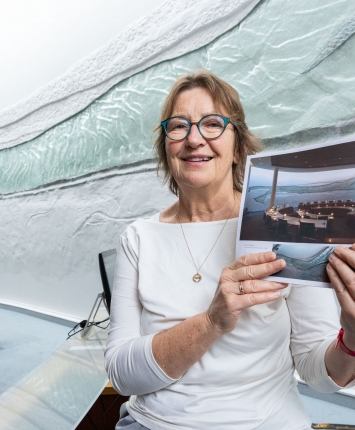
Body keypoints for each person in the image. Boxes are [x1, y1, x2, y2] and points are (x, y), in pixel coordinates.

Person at [105, 71, 355, 430]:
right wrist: (211, 322)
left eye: (212, 124)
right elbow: (122, 375)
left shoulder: (279, 226)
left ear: (238, 148)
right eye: (178, 126)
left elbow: (317, 372)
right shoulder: (138, 238)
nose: (194, 139)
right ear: (166, 148)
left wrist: (352, 336)